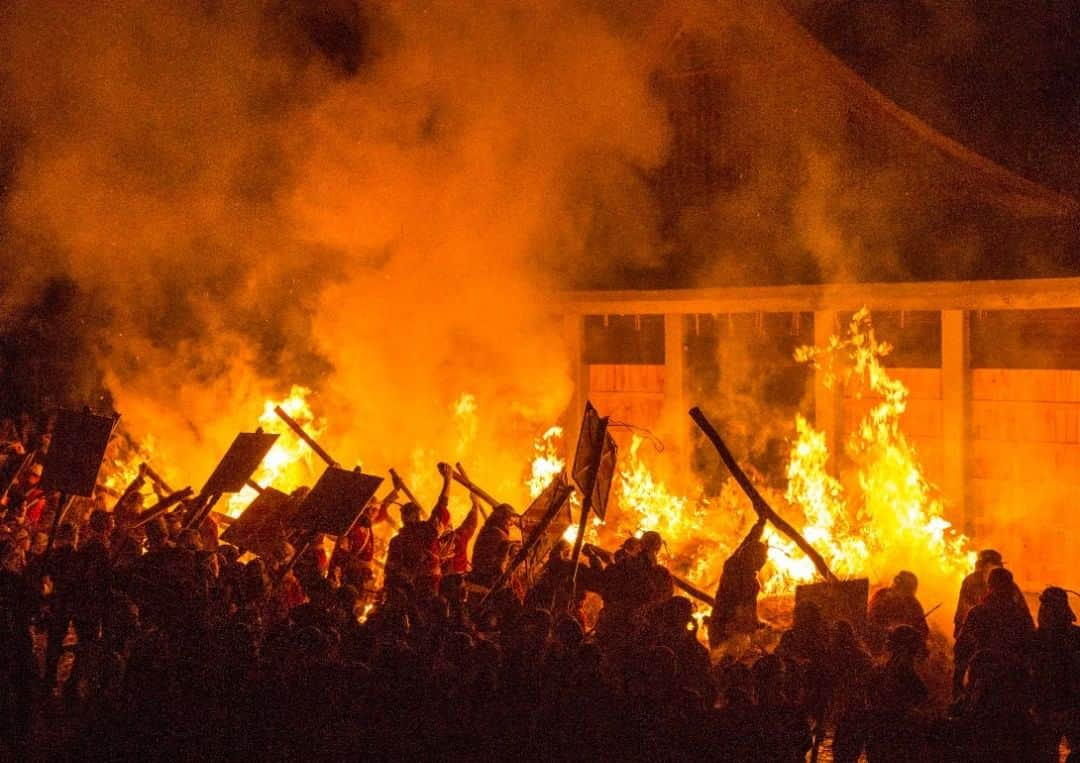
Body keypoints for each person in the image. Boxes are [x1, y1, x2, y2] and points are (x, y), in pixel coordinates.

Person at [954, 567, 1035, 701]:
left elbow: (962, 648)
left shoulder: (978, 612)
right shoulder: (1019, 614)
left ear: (989, 586)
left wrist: (957, 685)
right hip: (1013, 682)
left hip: (984, 679)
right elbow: (1031, 645)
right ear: (1011, 587)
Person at [385, 463, 452, 597]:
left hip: (408, 588)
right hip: (426, 585)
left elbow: (391, 568)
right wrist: (448, 480)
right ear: (417, 516)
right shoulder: (427, 530)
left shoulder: (398, 540)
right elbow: (441, 505)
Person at [708, 515, 767, 648]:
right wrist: (754, 626)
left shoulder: (732, 565)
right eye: (762, 558)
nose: (764, 562)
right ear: (755, 559)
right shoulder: (748, 582)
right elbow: (744, 613)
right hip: (729, 634)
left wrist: (760, 525)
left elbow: (747, 542)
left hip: (718, 625)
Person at [866, 570, 929, 653]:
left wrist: (910, 633)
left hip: (903, 645)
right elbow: (871, 617)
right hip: (880, 639)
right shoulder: (882, 594)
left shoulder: (913, 604)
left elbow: (923, 630)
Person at [954, 549, 1004, 638]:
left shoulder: (1006, 583)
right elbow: (962, 610)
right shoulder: (971, 582)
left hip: (999, 634)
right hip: (976, 633)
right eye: (989, 564)